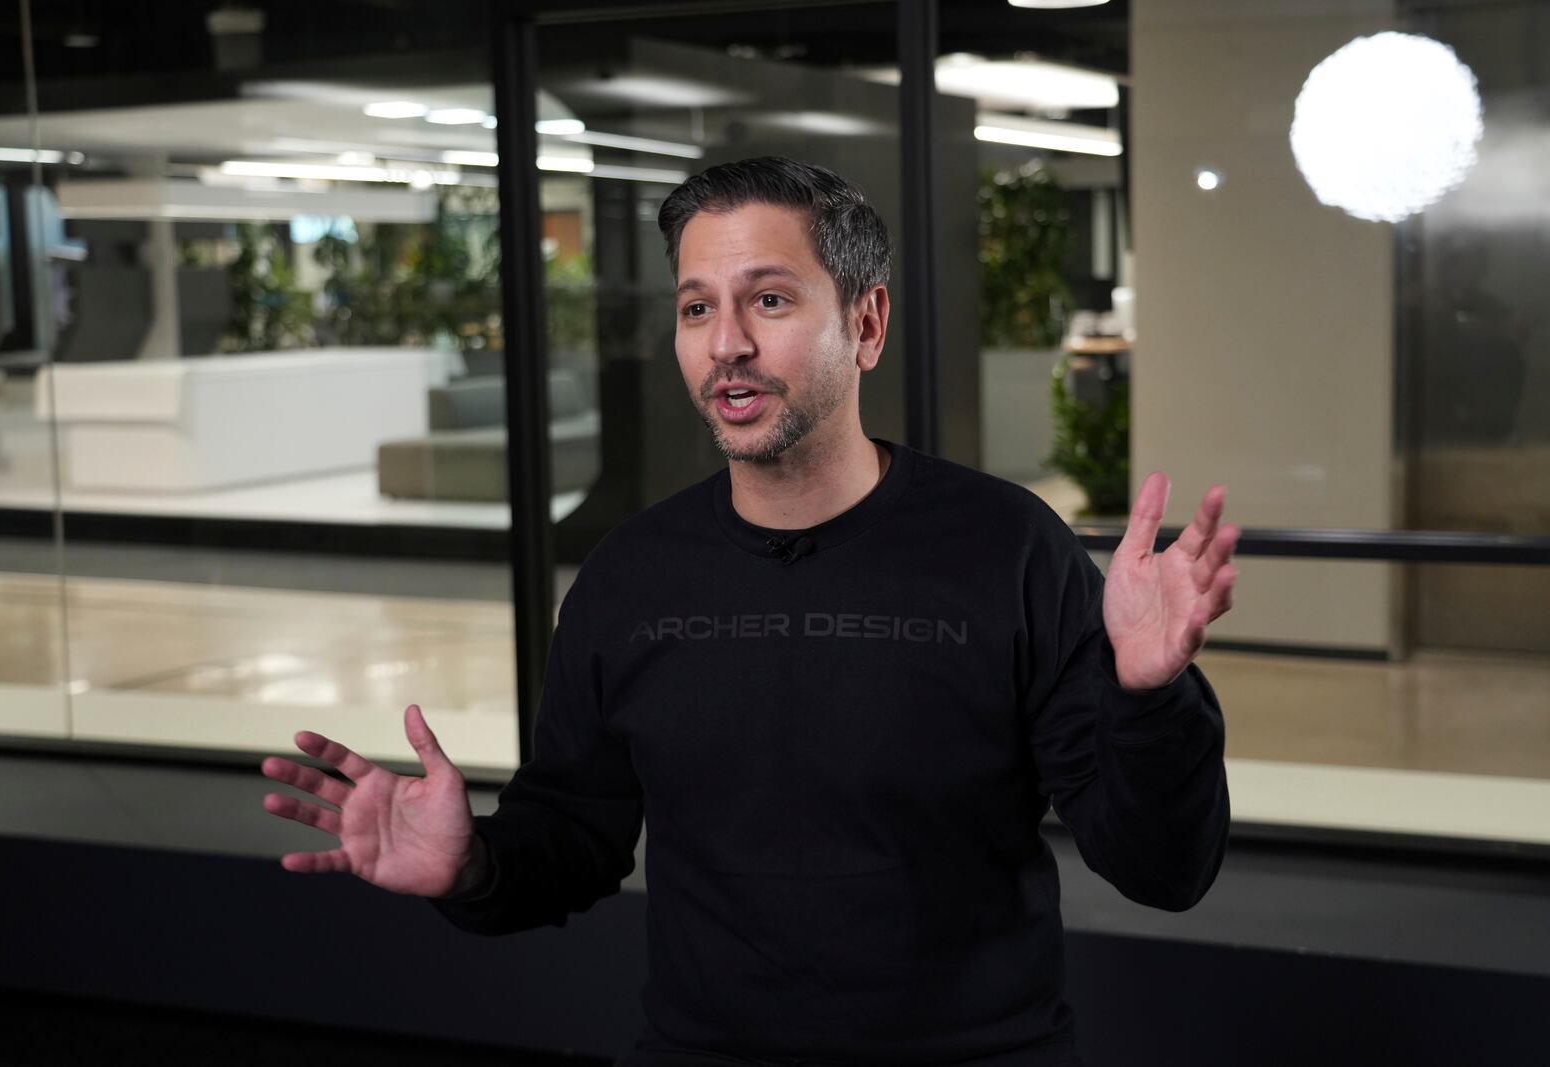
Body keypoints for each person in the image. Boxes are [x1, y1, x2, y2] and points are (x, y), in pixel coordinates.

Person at [261, 157, 1238, 1066]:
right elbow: (569, 837)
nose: (726, 342)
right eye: (697, 307)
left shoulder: (1008, 550)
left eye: (768, 300)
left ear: (866, 323)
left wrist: (1148, 696)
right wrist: (473, 861)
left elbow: (1162, 866)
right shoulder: (630, 577)